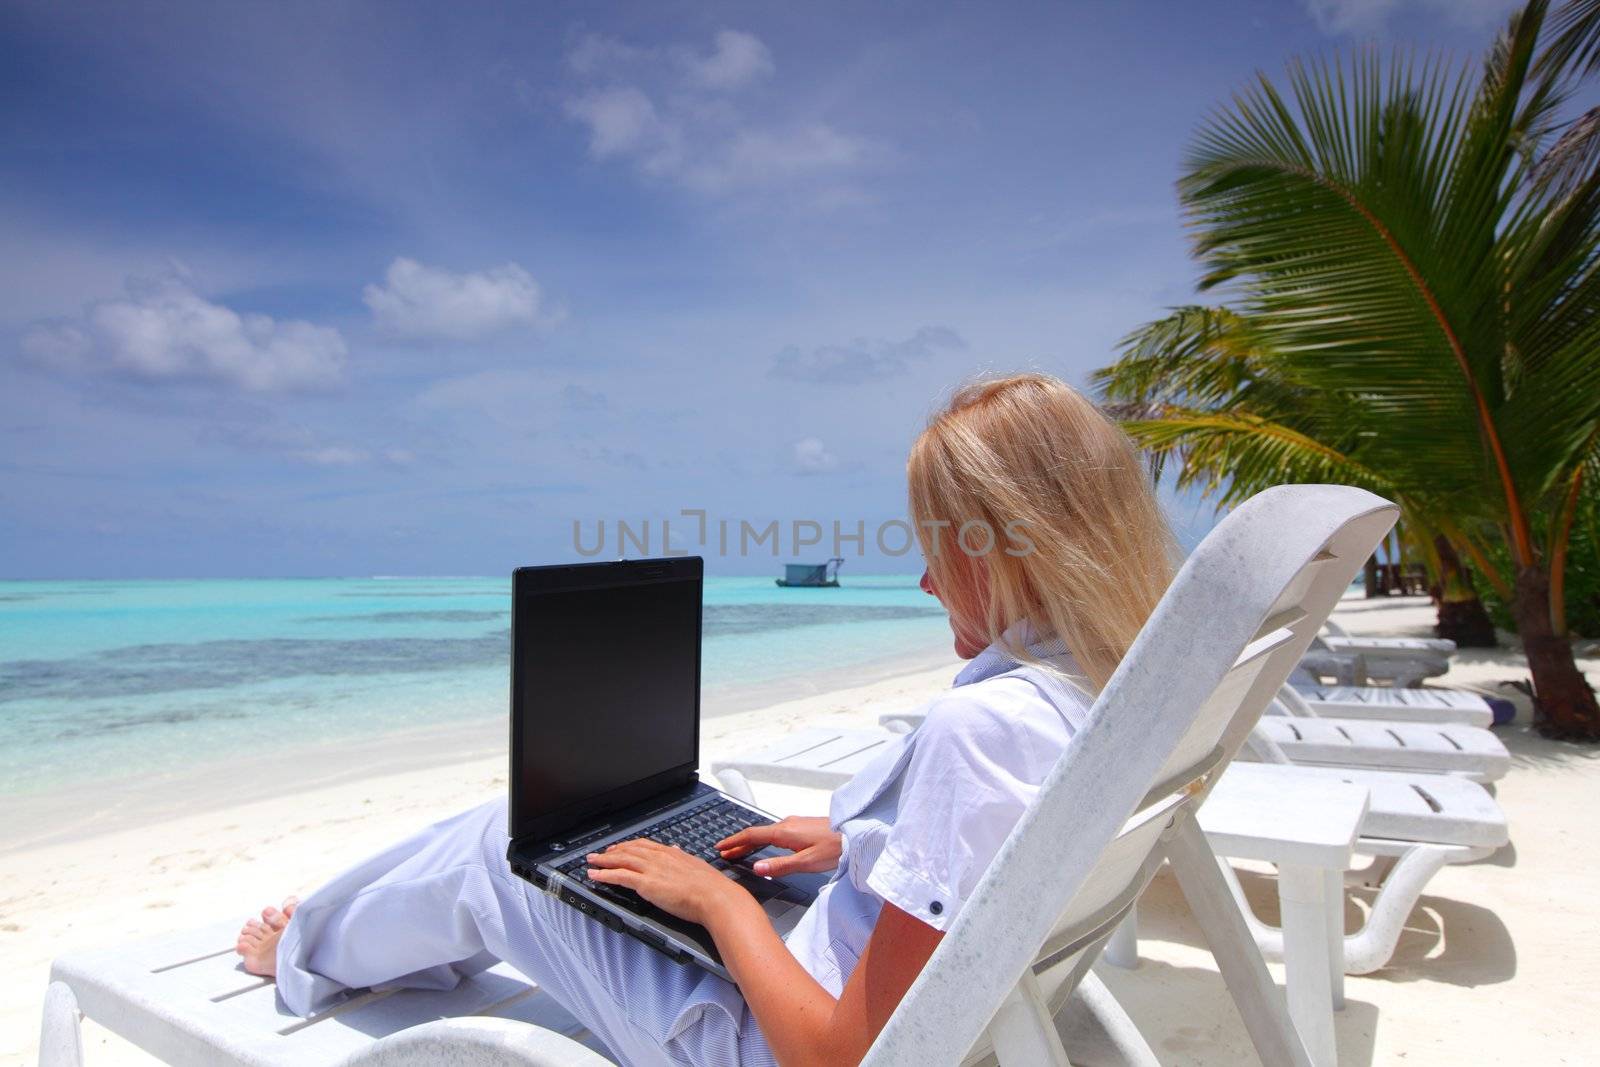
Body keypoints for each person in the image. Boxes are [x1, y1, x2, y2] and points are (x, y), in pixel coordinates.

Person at [235, 373, 1177, 1067]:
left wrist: (720, 906)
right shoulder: (1104, 688)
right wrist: (856, 842)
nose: (927, 580)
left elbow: (837, 1056)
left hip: (755, 1041)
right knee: (612, 842)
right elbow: (979, 868)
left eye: (940, 552)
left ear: (1010, 551)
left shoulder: (986, 730)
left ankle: (306, 952)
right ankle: (346, 935)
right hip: (891, 978)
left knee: (505, 846)